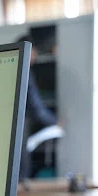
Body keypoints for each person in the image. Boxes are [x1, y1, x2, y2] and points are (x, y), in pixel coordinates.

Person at [16, 34, 59, 179]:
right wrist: (54, 121)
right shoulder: (25, 71)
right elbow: (36, 107)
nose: (33, 60)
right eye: (33, 55)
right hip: (19, 127)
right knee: (20, 171)